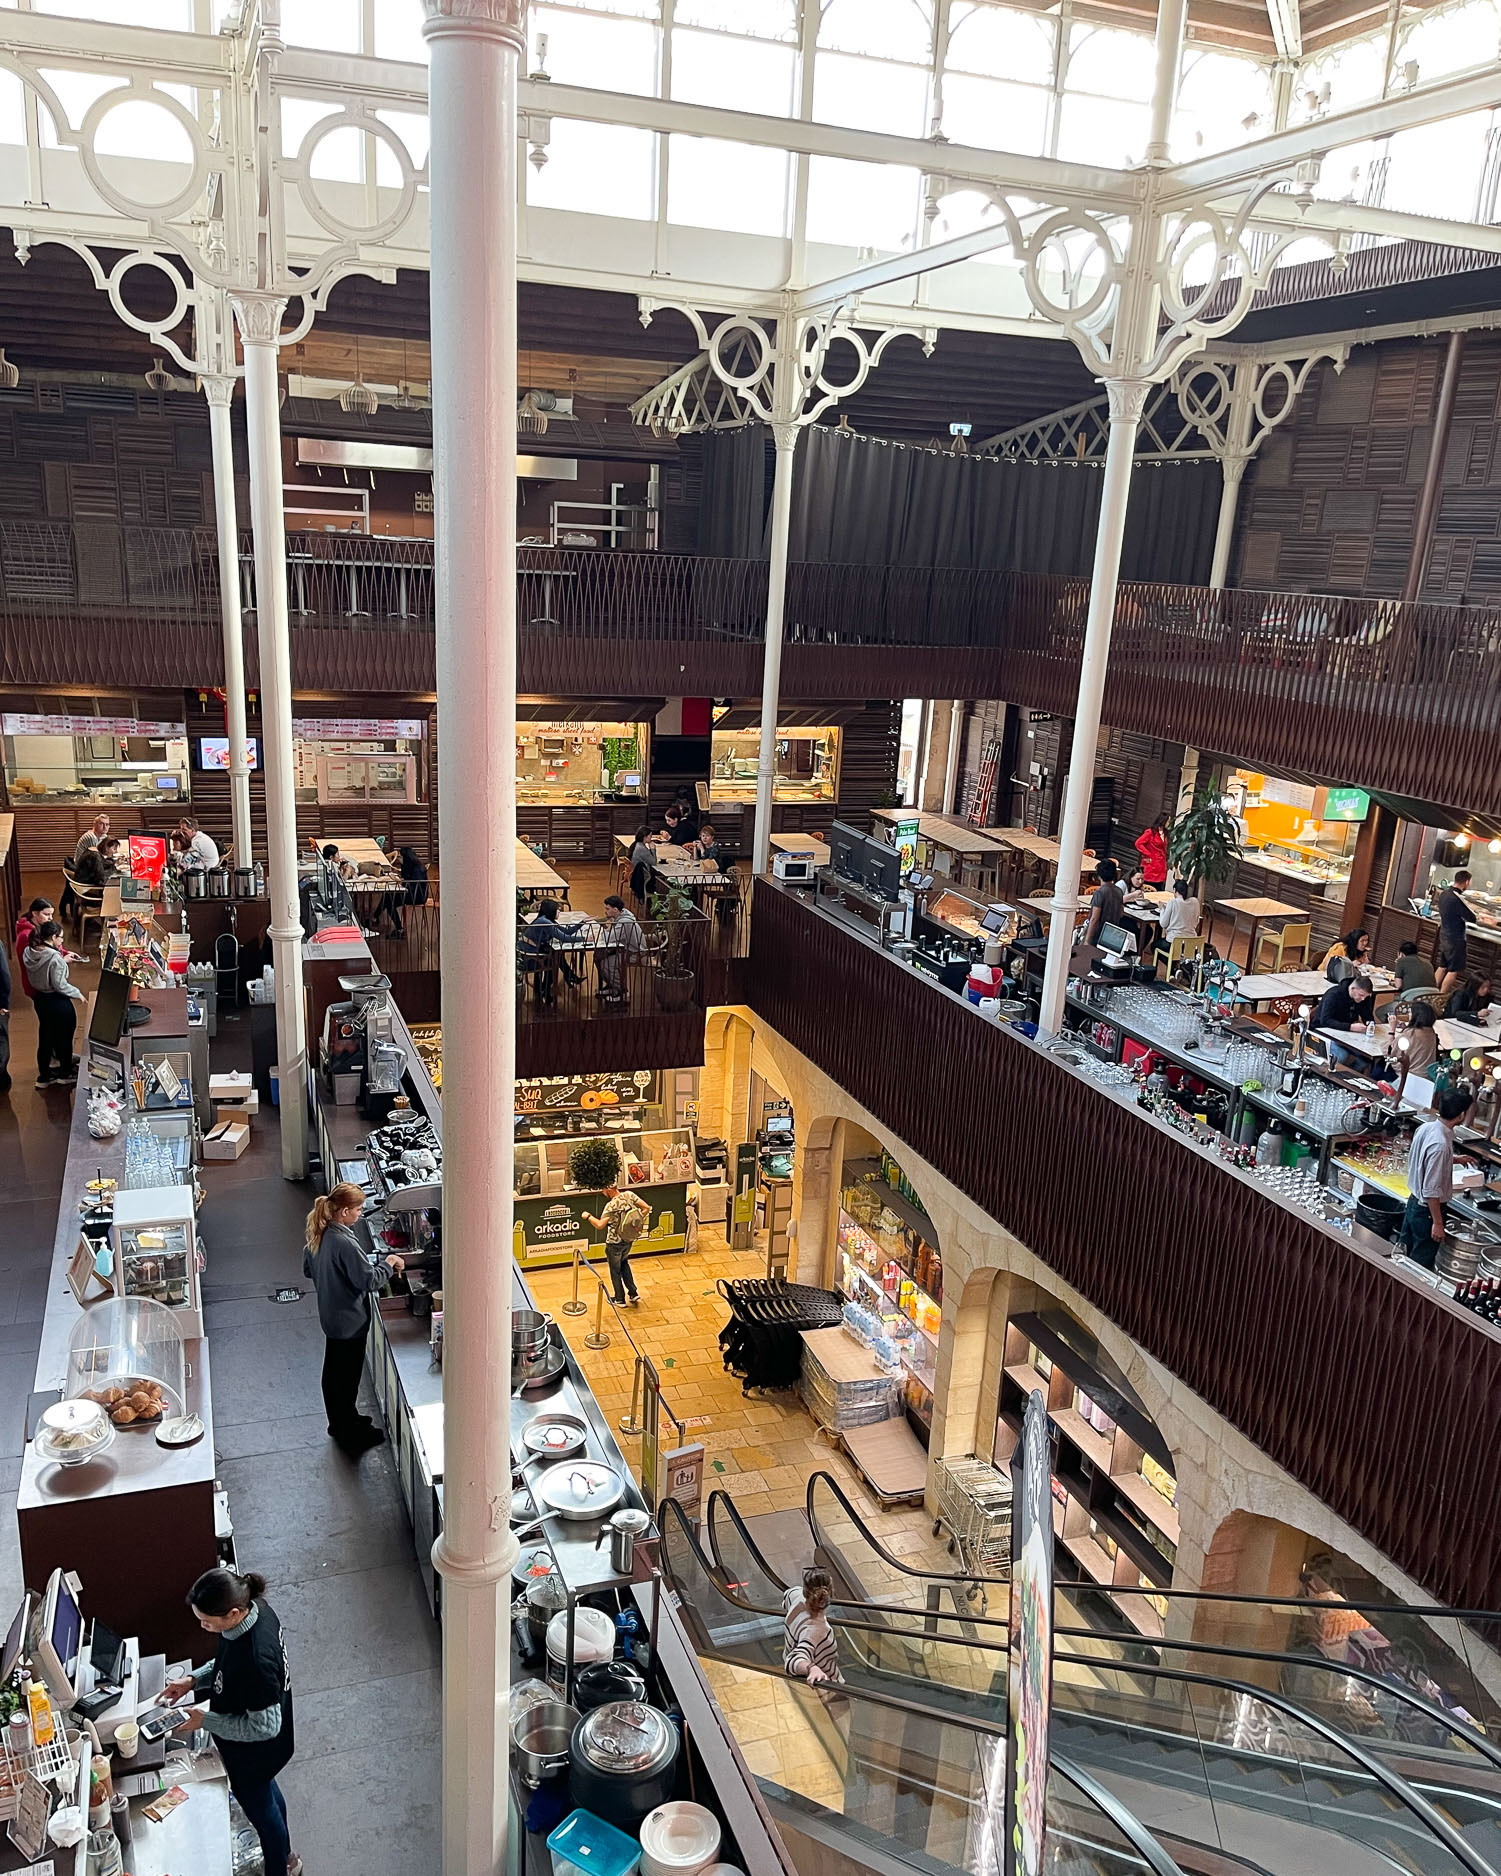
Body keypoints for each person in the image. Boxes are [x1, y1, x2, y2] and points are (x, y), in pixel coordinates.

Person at [165, 1567, 299, 1876]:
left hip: (256, 1752)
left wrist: (205, 1721)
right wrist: (192, 1681)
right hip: (262, 1751)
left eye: (207, 1621)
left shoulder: (257, 1661)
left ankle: (280, 1869)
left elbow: (264, 1727)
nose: (202, 1626)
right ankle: (288, 1857)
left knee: (263, 1814)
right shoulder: (255, 1612)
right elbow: (225, 1664)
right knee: (268, 1796)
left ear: (234, 1613)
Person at [302, 1183, 404, 1454]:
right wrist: (390, 1264)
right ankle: (348, 1432)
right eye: (358, 1209)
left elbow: (307, 1269)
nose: (361, 1214)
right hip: (350, 1322)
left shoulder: (319, 1233)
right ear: (344, 1211)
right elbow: (368, 1281)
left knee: (334, 1374)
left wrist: (333, 1278)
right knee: (346, 1379)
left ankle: (342, 1421)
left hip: (331, 1316)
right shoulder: (344, 1242)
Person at [1397, 1087, 1474, 1269]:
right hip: (1426, 1213)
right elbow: (1431, 1190)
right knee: (1418, 1265)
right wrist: (1438, 1224)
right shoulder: (1440, 1145)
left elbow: (1424, 1159)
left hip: (1413, 1203)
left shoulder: (1427, 1128)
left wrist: (1453, 1159)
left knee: (1402, 1254)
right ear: (1461, 1115)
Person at [23, 921, 83, 1086]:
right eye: (60, 938)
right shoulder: (55, 958)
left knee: (46, 1038)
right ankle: (65, 1073)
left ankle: (45, 1076)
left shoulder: (29, 951)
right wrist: (77, 994)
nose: (62, 942)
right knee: (65, 1038)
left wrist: (63, 960)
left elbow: (46, 967)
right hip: (57, 1001)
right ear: (52, 937)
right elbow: (59, 984)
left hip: (41, 1000)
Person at [584, 1179, 649, 1307]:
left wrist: (588, 1216)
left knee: (615, 1270)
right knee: (624, 1264)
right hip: (628, 1239)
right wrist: (634, 1223)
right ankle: (633, 1293)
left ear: (608, 1189)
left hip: (614, 1243)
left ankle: (619, 1299)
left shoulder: (611, 1206)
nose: (603, 1192)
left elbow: (600, 1225)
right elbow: (646, 1208)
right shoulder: (630, 1195)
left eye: (603, 1190)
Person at [782, 1567, 841, 1684]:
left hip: (797, 1681)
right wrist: (811, 1668)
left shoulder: (796, 1597)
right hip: (825, 1683)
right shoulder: (818, 1630)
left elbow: (787, 1596)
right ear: (831, 1592)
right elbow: (795, 1658)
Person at [521, 897, 584, 1004]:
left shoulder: (546, 919)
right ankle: (564, 980)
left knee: (556, 956)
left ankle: (566, 979)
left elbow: (566, 932)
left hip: (534, 951)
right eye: (557, 910)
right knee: (554, 959)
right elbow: (564, 938)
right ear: (551, 911)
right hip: (529, 958)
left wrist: (581, 923)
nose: (559, 912)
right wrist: (585, 939)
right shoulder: (544, 922)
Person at [1313, 972, 1375, 1065]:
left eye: (1366, 996)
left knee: (1365, 1058)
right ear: (1353, 989)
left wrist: (1369, 1023)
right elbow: (1325, 1020)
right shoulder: (1333, 995)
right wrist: (1350, 1027)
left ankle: (1350, 1075)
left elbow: (1367, 1015)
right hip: (1323, 1031)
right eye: (1361, 995)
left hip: (1346, 1034)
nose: (1363, 999)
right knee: (1341, 1055)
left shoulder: (1363, 999)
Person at [595, 894, 645, 1003]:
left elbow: (610, 938)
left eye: (607, 909)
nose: (605, 911)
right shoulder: (620, 917)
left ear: (615, 909)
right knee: (598, 956)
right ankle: (611, 985)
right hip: (622, 948)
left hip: (634, 953)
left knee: (607, 964)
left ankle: (621, 991)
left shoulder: (624, 922)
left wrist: (601, 931)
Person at [1436, 869, 1472, 994]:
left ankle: (1430, 994)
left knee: (1442, 966)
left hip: (1445, 935)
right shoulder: (1457, 898)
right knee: (1453, 970)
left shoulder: (1444, 893)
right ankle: (1441, 998)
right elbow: (1471, 917)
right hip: (1455, 938)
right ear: (1467, 882)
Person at [1083, 857, 1125, 948]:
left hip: (1098, 934)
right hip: (1112, 934)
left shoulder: (1099, 893)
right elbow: (1121, 913)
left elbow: (1094, 919)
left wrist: (1087, 940)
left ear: (1099, 876)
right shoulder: (1119, 891)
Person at [1397, 1000, 1439, 1087]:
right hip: (1427, 1077)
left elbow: (1391, 1051)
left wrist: (1391, 1031)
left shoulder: (1411, 1033)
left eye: (1410, 1013)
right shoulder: (1432, 1033)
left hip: (1409, 1077)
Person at [1158, 878, 1201, 947]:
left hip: (1173, 942)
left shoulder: (1173, 902)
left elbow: (1163, 924)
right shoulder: (1195, 902)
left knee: (1154, 945)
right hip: (1191, 943)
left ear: (1175, 890)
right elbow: (1196, 921)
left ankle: (1170, 957)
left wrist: (1162, 909)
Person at [1134, 814, 1169, 889]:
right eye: (1168, 821)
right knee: (1148, 884)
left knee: (1159, 886)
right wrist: (1148, 854)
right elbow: (1138, 843)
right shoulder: (1150, 832)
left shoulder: (1165, 833)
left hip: (1161, 864)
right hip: (1151, 863)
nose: (1169, 823)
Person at [629, 827, 654, 902]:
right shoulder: (641, 848)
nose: (651, 837)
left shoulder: (637, 844)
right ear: (645, 837)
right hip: (645, 879)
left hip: (637, 875)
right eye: (650, 835)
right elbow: (653, 862)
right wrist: (653, 849)